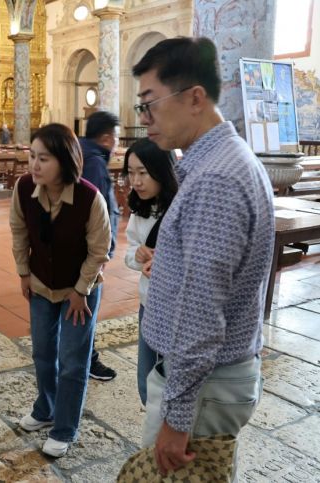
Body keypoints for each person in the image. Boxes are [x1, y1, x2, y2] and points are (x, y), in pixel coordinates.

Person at [132, 37, 274, 477]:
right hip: (213, 378)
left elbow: (201, 312)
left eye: (150, 104)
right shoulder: (222, 162)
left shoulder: (216, 179)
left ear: (194, 98)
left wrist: (176, 419)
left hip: (204, 385)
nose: (144, 119)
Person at [10, 123, 111, 458]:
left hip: (79, 289)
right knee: (41, 352)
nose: (34, 166)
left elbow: (100, 250)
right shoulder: (24, 188)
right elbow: (19, 231)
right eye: (33, 157)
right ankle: (45, 408)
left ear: (65, 161)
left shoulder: (89, 197)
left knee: (72, 360)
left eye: (44, 159)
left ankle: (65, 428)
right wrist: (24, 272)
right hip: (41, 284)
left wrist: (81, 291)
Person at [121, 138, 178, 406]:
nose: (136, 181)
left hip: (176, 308)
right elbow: (129, 251)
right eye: (131, 173)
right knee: (146, 378)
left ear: (161, 170)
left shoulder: (181, 208)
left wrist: (166, 265)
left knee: (172, 378)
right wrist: (138, 254)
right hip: (148, 303)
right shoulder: (140, 210)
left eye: (143, 172)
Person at [80, 110, 121, 382]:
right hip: (89, 251)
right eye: (116, 137)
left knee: (79, 306)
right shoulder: (93, 162)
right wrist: (101, 250)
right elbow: (96, 209)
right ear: (107, 138)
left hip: (83, 248)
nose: (117, 142)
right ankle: (88, 361)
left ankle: (78, 355)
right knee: (86, 308)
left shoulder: (82, 153)